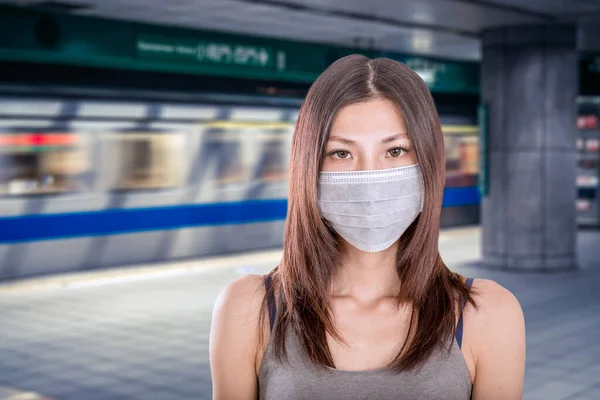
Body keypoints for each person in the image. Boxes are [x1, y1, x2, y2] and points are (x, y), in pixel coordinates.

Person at [209, 54, 526, 400]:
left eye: (395, 151)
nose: (369, 177)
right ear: (308, 168)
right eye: (342, 154)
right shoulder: (248, 309)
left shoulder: (490, 313)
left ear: (429, 162)